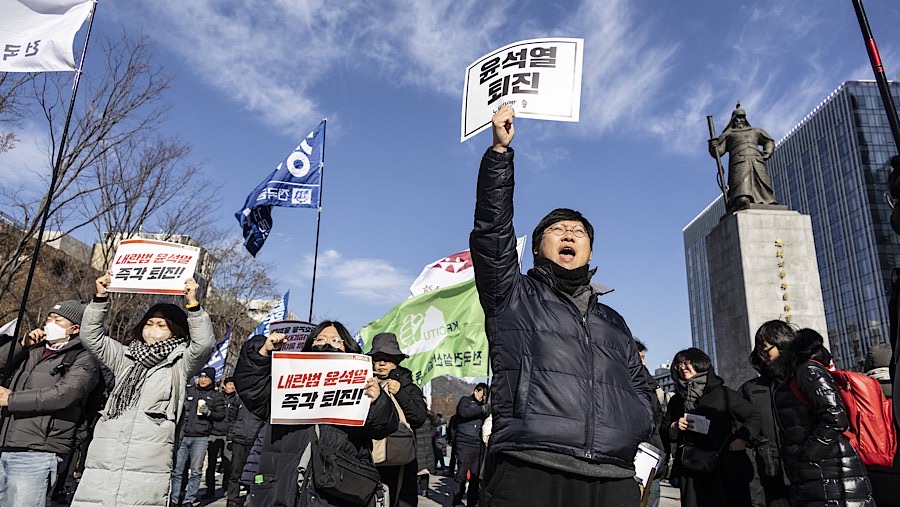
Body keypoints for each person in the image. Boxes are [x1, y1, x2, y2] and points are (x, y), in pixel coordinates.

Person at [470, 105, 655, 506]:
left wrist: (639, 421)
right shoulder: (513, 295)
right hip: (530, 466)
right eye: (558, 229)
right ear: (537, 247)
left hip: (613, 476)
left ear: (589, 249)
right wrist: (500, 155)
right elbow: (491, 234)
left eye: (579, 232)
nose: (570, 233)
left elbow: (641, 386)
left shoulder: (613, 320)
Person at [71, 272, 216, 507]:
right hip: (105, 459)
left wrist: (193, 304)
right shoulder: (124, 357)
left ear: (175, 330)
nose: (153, 329)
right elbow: (91, 337)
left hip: (149, 466)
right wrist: (100, 298)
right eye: (149, 323)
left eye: (161, 325)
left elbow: (204, 345)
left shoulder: (179, 364)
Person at [233, 321, 398, 506]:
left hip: (338, 487)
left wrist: (377, 401)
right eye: (320, 339)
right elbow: (253, 391)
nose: (327, 343)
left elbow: (384, 426)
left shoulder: (363, 383)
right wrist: (262, 353)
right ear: (310, 344)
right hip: (284, 483)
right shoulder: (287, 378)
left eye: (336, 340)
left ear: (348, 347)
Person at [753, 321, 875, 506]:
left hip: (831, 470)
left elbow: (835, 417)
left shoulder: (807, 370)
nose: (763, 357)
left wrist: (809, 455)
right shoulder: (791, 375)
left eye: (766, 350)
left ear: (781, 343)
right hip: (817, 475)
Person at [0, 300, 99, 507]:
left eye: (58, 320)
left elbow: (64, 394)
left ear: (75, 328)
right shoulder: (32, 351)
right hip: (6, 443)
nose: (50, 323)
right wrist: (21, 344)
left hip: (38, 450)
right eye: (49, 318)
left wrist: (11, 399)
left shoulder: (83, 357)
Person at [663, 347, 761, 507]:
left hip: (724, 467)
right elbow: (665, 429)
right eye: (678, 365)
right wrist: (674, 426)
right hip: (691, 469)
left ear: (700, 364)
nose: (682, 367)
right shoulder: (676, 401)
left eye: (686, 363)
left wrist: (742, 440)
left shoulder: (723, 394)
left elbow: (753, 416)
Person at [368, 332, 427, 507]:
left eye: (387, 358)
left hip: (401, 462)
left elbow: (419, 418)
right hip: (369, 459)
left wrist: (400, 393)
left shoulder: (408, 386)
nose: (381, 363)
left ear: (397, 360)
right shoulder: (365, 383)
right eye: (377, 358)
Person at [739, 352, 790, 507]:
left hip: (799, 466)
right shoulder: (749, 389)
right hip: (765, 466)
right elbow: (742, 432)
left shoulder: (797, 382)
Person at [170, 366, 225, 507]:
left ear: (212, 380)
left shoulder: (215, 396)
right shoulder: (189, 391)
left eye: (206, 377)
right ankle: (174, 499)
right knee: (178, 470)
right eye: (201, 376)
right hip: (184, 435)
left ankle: (189, 499)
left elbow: (221, 415)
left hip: (200, 437)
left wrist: (209, 413)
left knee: (195, 471)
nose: (203, 379)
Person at [708, 104, 777, 213]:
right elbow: (719, 153)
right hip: (738, 162)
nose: (740, 120)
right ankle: (743, 198)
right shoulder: (729, 134)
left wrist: (768, 152)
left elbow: (768, 141)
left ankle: (766, 199)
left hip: (756, 159)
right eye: (737, 118)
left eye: (742, 117)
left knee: (762, 182)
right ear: (733, 120)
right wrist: (713, 146)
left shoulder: (755, 131)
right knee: (742, 187)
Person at [634, 339, 666, 507]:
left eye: (642, 357)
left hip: (650, 455)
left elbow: (658, 418)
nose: (642, 361)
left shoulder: (650, 385)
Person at [224, 380, 265, 507]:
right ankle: (232, 499)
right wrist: (230, 436)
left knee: (255, 471)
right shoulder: (239, 398)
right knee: (235, 471)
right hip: (239, 439)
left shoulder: (263, 399)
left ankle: (252, 496)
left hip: (256, 440)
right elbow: (232, 418)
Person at [451, 383, 489, 507]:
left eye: (484, 395)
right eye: (480, 393)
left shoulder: (484, 406)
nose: (481, 397)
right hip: (464, 443)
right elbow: (464, 413)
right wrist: (481, 409)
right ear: (475, 391)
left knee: (475, 475)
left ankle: (472, 501)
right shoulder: (465, 401)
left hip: (478, 444)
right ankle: (457, 500)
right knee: (461, 473)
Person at [203, 376, 237, 500]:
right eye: (230, 385)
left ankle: (226, 489)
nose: (232, 387)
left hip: (227, 435)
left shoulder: (237, 400)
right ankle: (209, 489)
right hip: (213, 433)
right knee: (211, 464)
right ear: (224, 386)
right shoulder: (218, 398)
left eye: (233, 385)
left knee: (228, 464)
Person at [414, 399, 438, 498]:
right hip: (417, 446)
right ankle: (415, 489)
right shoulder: (413, 415)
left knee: (425, 471)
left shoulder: (429, 416)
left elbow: (438, 422)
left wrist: (430, 413)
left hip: (427, 446)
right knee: (416, 469)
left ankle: (424, 489)